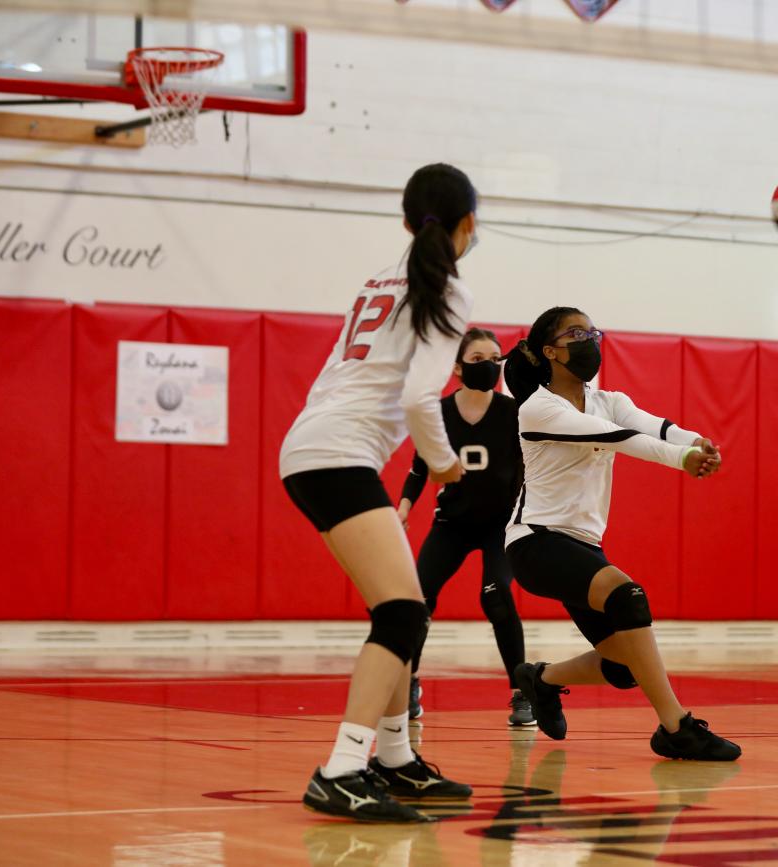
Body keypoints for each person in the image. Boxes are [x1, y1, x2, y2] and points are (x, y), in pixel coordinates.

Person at [279, 163, 479, 822]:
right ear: (467, 224)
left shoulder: (378, 282)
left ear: (405, 220)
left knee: (404, 607)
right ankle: (342, 766)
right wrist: (445, 464)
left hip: (312, 445)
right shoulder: (446, 291)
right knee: (400, 614)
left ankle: (395, 759)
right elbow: (424, 397)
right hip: (338, 453)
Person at [501, 306, 741, 761]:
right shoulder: (538, 408)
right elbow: (616, 437)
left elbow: (656, 425)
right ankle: (676, 727)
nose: (589, 338)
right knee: (628, 596)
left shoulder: (608, 398)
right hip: (534, 541)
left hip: (583, 546)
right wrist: (680, 461)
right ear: (550, 351)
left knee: (625, 665)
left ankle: (541, 679)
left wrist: (695, 442)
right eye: (576, 332)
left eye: (592, 330)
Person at [397, 327, 533, 726]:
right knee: (418, 600)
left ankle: (522, 693)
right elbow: (420, 466)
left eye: (495, 357)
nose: (489, 365)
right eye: (478, 359)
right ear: (457, 367)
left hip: (498, 526)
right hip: (452, 524)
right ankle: (410, 684)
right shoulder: (438, 413)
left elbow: (528, 473)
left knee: (495, 596)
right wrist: (404, 507)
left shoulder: (513, 414)